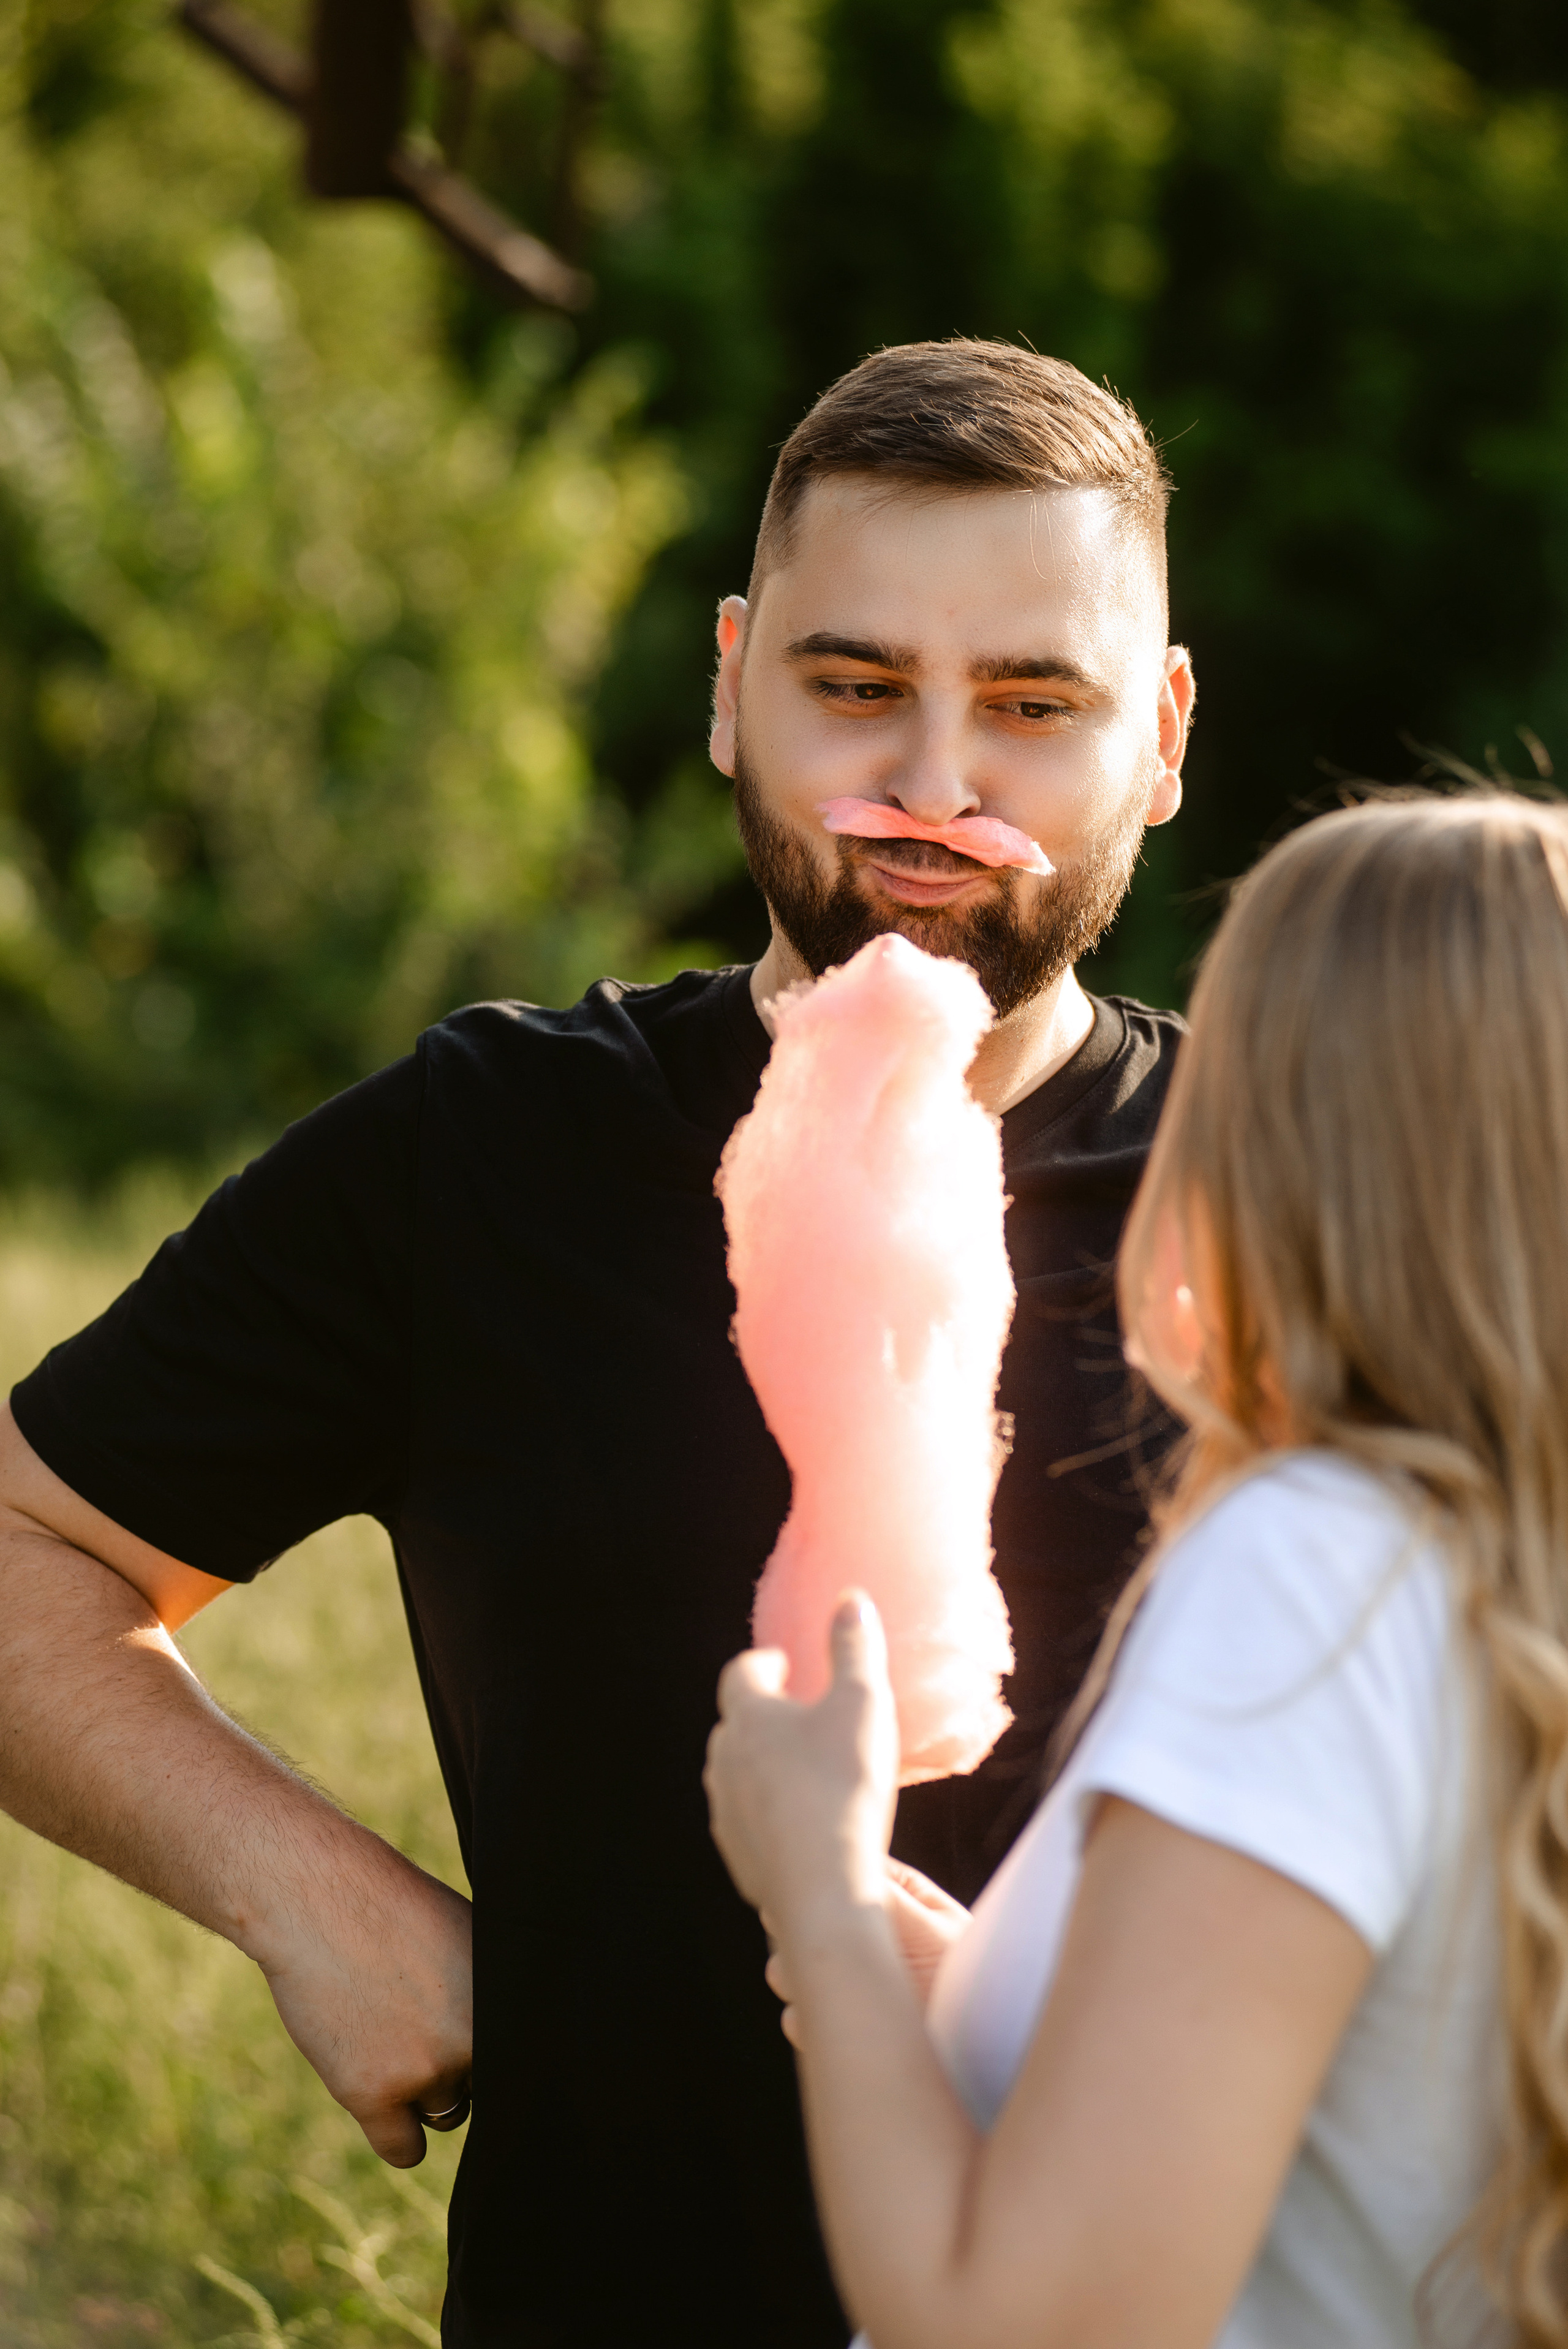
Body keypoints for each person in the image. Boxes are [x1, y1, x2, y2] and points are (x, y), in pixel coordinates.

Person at [0, 339, 1195, 2347]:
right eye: (851, 683)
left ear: (1160, 738)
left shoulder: (1316, 1192)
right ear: (730, 688)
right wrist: (309, 1899)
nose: (936, 776)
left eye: (1031, 703)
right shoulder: (494, 1152)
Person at [705, 788, 1568, 2349]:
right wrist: (971, 1994)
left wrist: (818, 1894)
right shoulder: (1494, 1572)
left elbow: (1031, 2324)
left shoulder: (1318, 1565)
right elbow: (1357, 2115)